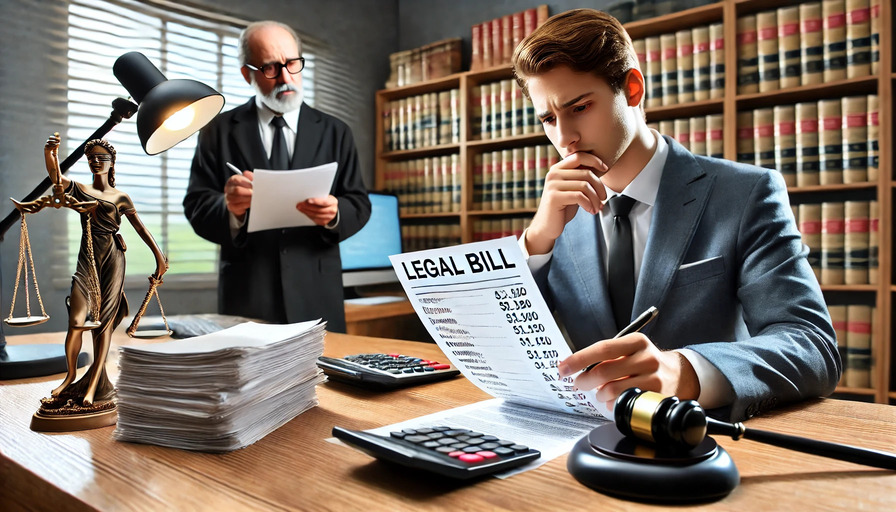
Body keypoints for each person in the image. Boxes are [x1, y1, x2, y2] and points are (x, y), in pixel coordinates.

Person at [512, 9, 840, 422]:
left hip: (708, 441)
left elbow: (811, 345)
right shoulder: (555, 215)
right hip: (582, 444)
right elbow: (511, 343)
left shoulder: (746, 194)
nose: (564, 138)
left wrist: (684, 371)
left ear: (632, 89)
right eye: (548, 119)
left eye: (579, 107)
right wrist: (537, 244)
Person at [183, 21, 370, 333]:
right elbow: (197, 205)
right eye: (271, 67)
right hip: (248, 294)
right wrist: (232, 209)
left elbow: (359, 203)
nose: (286, 77)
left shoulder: (337, 131)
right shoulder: (216, 131)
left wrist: (336, 213)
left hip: (317, 294)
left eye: (293, 64)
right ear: (247, 74)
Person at [30, 134, 167, 407]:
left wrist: (159, 258)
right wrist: (51, 154)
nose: (96, 161)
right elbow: (57, 180)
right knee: (76, 322)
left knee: (104, 324)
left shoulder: (121, 197)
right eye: (91, 157)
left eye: (101, 158)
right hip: (87, 261)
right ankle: (70, 378)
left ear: (111, 162)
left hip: (113, 260)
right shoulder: (81, 189)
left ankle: (94, 385)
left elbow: (140, 228)